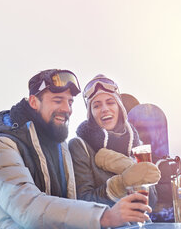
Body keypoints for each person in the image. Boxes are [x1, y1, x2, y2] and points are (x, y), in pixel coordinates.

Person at [0, 69, 152, 229]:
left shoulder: (58, 146)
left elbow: (69, 205)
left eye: (70, 102)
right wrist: (104, 216)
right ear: (34, 102)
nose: (66, 109)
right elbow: (28, 208)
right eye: (57, 100)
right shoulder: (1, 146)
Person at [68, 74, 161, 207]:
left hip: (139, 224)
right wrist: (121, 184)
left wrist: (126, 165)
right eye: (96, 106)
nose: (105, 109)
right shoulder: (80, 146)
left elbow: (150, 202)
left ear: (120, 108)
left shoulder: (135, 145)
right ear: (91, 114)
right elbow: (84, 200)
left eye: (110, 102)